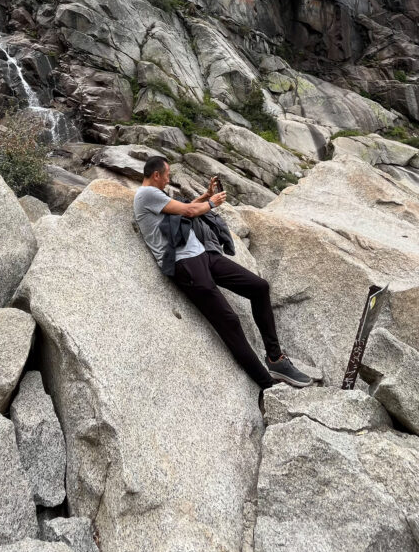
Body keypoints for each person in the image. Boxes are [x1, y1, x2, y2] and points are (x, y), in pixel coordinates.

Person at [133, 155, 312, 390]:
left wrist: (206, 197)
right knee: (229, 322)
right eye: (167, 175)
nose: (168, 179)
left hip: (202, 256)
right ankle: (267, 385)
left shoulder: (156, 196)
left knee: (259, 287)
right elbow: (187, 212)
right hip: (185, 265)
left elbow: (182, 211)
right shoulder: (146, 194)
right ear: (156, 175)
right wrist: (213, 203)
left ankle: (275, 358)